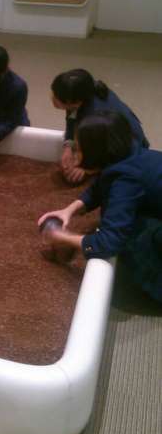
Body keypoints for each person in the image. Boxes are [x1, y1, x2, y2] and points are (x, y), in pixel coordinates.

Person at [38, 111, 162, 303]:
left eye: (78, 149)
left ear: (96, 153)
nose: (75, 154)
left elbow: (109, 242)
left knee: (129, 235)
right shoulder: (127, 154)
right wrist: (68, 211)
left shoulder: (126, 182)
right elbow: (102, 185)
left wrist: (62, 237)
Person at [51, 68, 149, 183]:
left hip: (131, 151)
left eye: (55, 97)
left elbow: (119, 150)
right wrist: (68, 146)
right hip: (110, 138)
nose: (52, 97)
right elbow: (71, 118)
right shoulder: (82, 91)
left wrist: (88, 169)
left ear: (75, 102)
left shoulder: (96, 118)